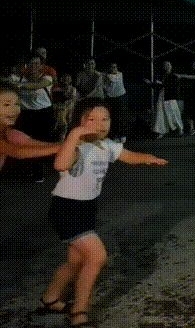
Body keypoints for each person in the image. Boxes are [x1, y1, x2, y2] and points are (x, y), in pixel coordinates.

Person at [41, 98, 167, 327]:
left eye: (105, 119)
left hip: (87, 208)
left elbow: (128, 156)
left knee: (75, 261)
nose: (99, 124)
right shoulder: (77, 147)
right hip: (66, 210)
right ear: (78, 121)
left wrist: (147, 158)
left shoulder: (107, 145)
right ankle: (79, 311)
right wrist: (74, 135)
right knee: (97, 257)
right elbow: (60, 164)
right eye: (91, 119)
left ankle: (50, 298)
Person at [0, 82, 62, 173]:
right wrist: (60, 146)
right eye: (6, 105)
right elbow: (17, 152)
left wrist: (67, 144)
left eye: (17, 104)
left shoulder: (10, 133)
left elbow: (34, 143)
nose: (14, 110)